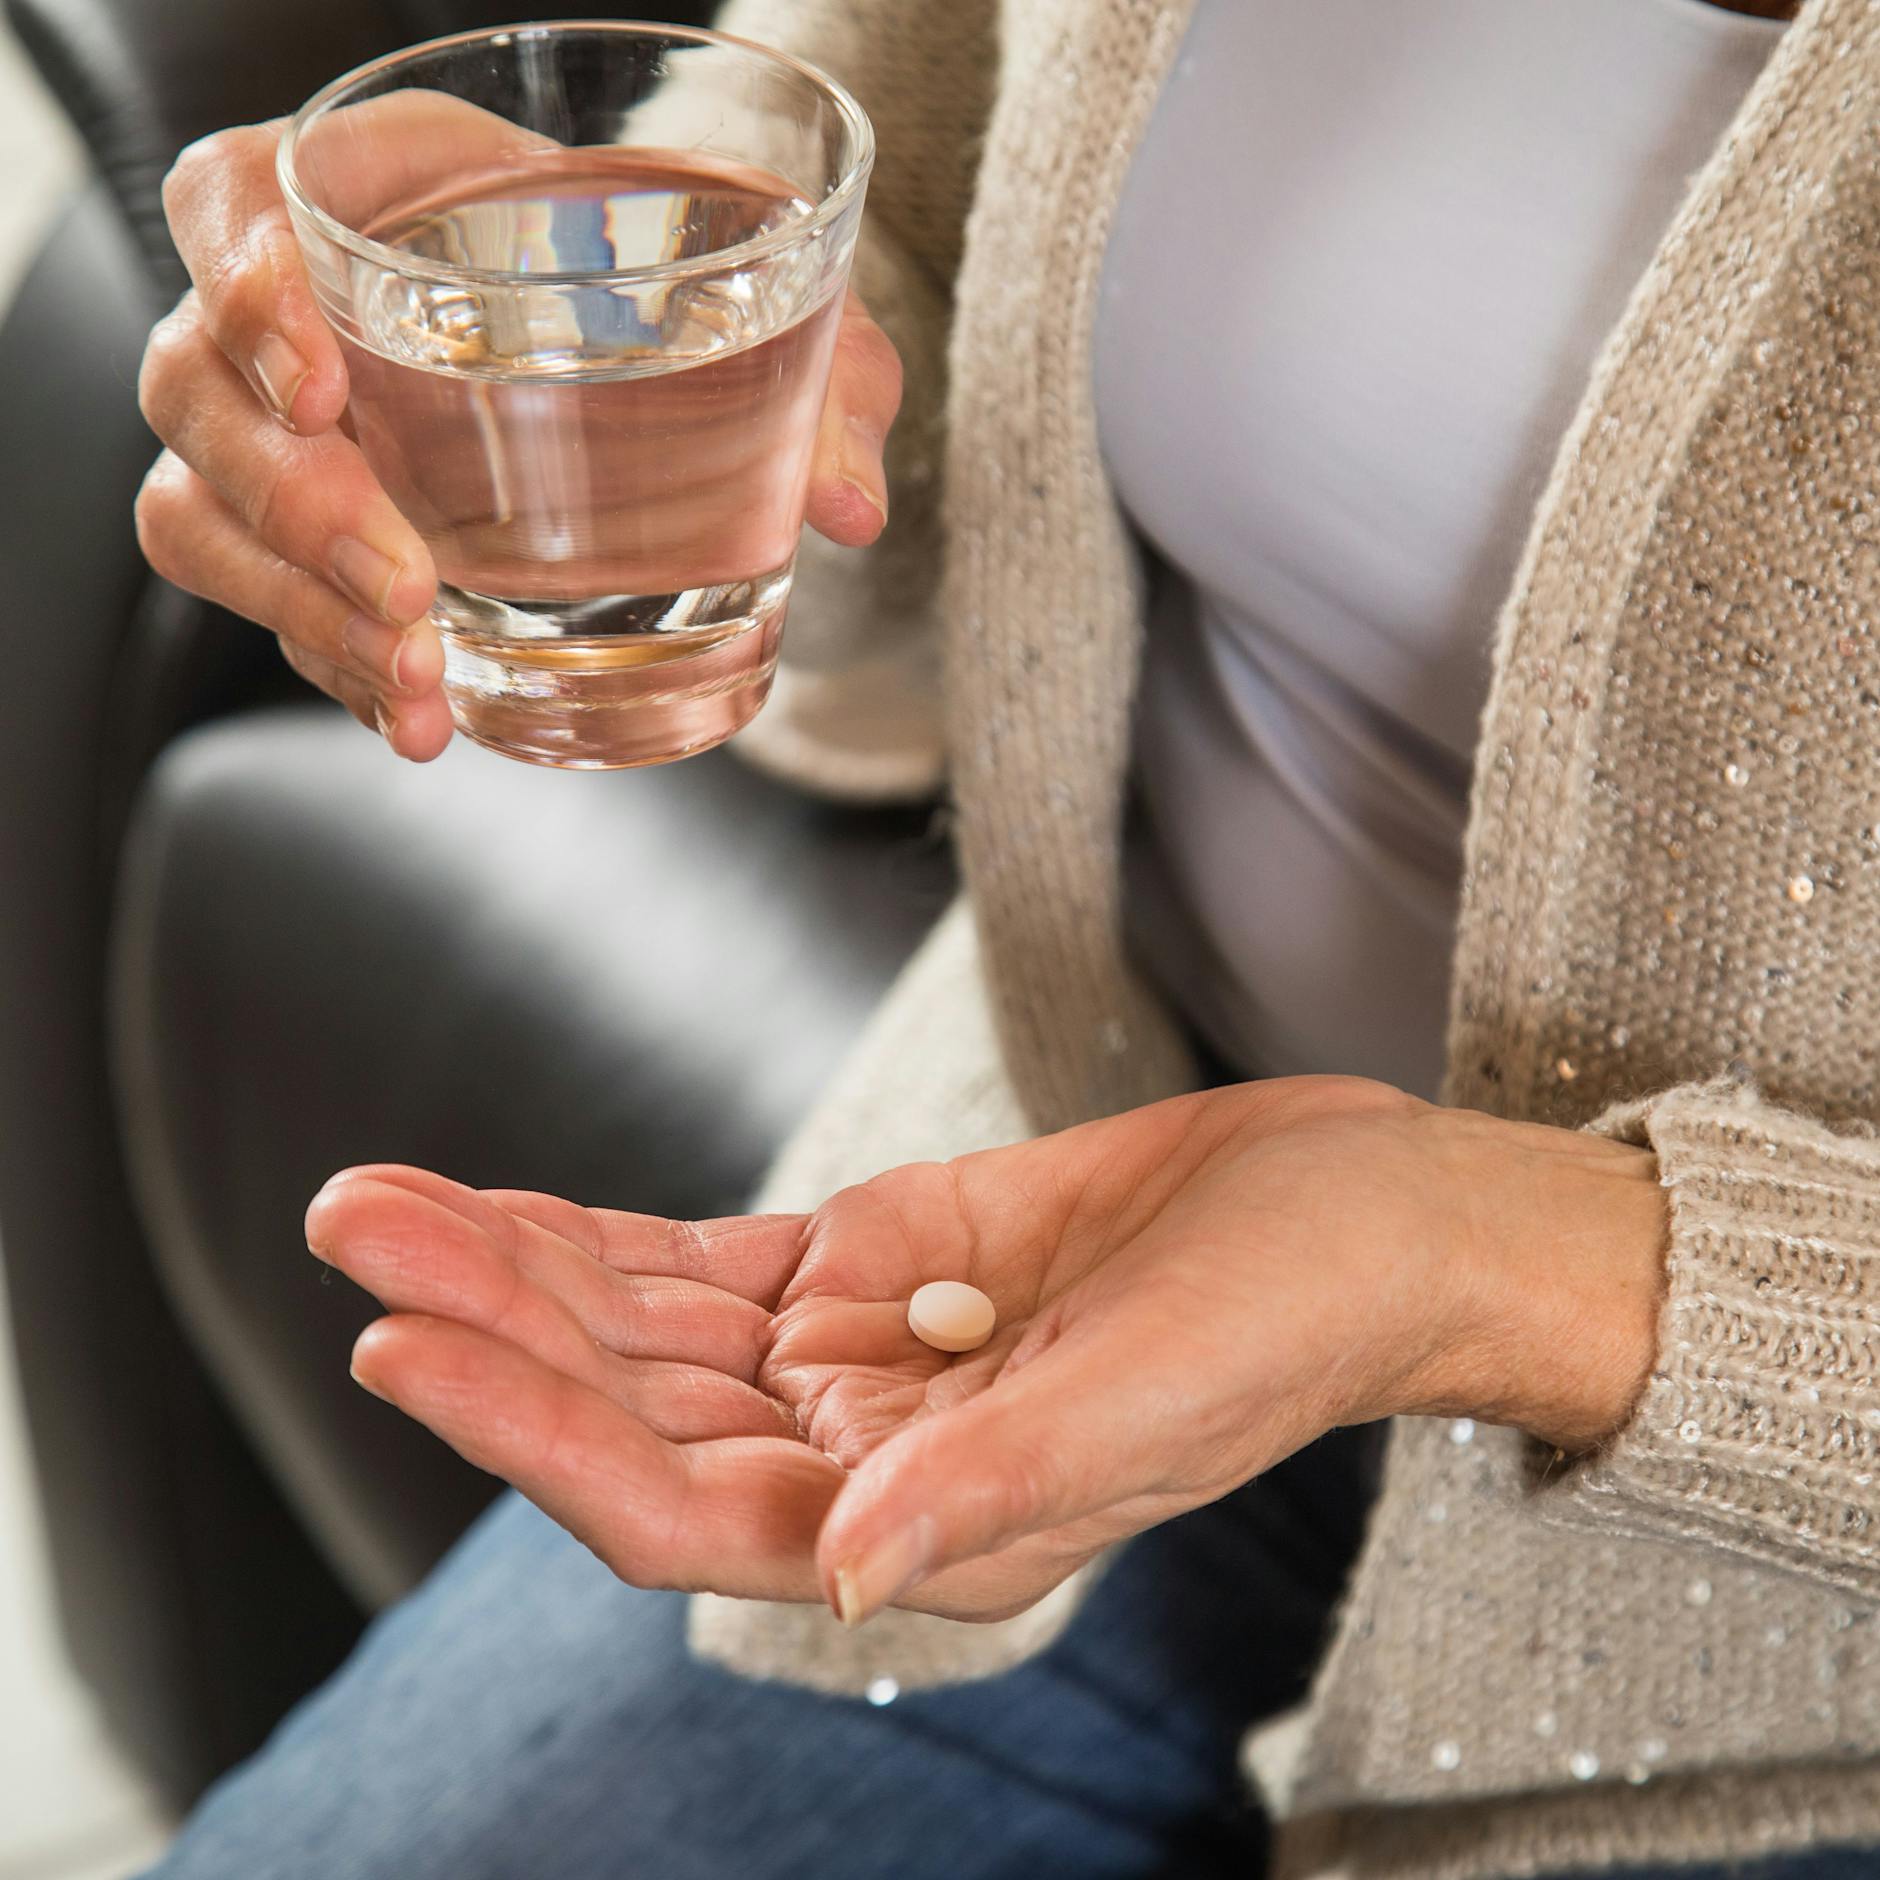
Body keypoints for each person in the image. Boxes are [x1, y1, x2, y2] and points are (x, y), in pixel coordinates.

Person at [128, 0, 1880, 1874]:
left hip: (1795, 1664)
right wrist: (641, 315)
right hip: (1086, 1200)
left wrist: (1509, 1269)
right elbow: (877, 183)